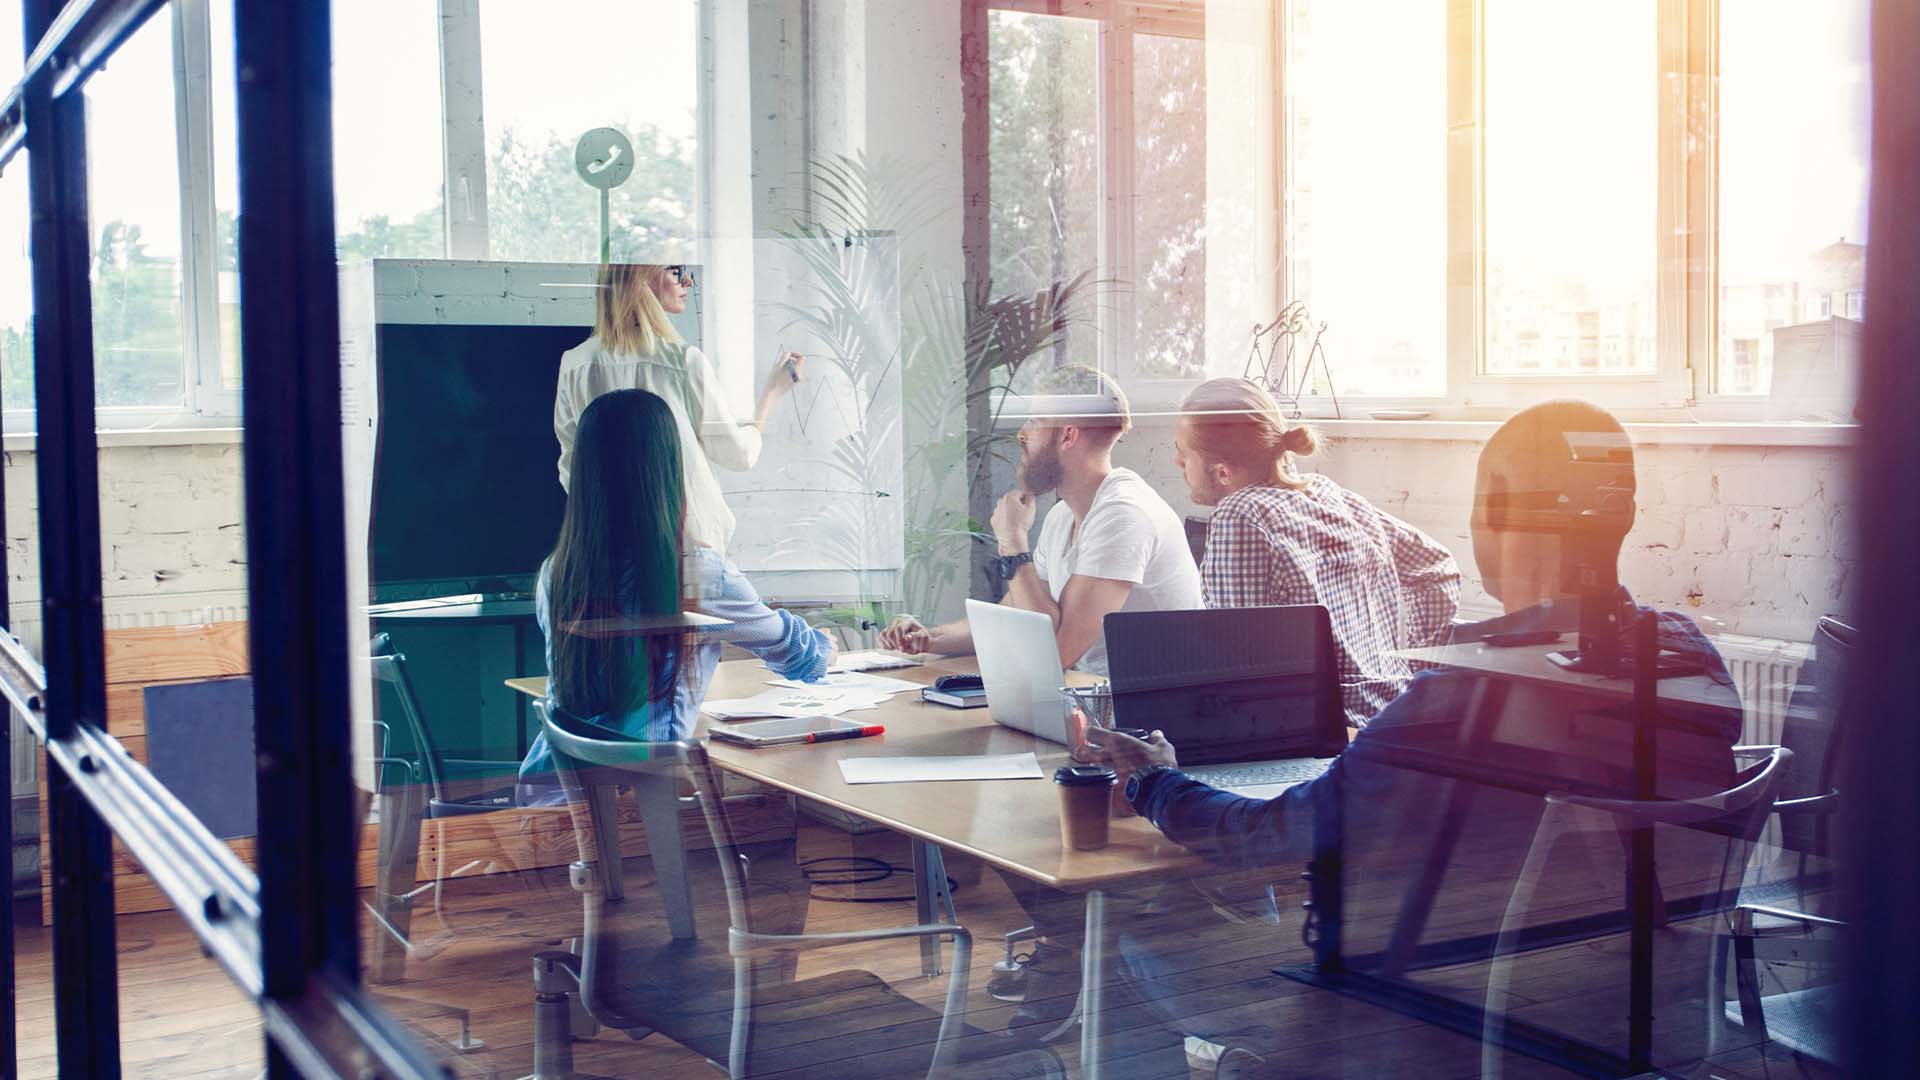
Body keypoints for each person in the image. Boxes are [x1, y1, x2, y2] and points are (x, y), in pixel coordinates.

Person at [1081, 400, 1743, 1070]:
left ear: (1496, 513)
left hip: (1435, 1017)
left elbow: (1269, 838)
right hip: (1634, 1016)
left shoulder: (1465, 702)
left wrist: (1153, 779)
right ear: (1625, 515)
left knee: (1132, 947)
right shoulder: (1689, 657)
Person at [518, 389, 834, 805]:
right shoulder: (696, 572)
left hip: (549, 799)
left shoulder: (556, 573)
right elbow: (803, 658)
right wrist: (827, 641)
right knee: (790, 817)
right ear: (668, 468)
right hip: (638, 815)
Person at [879, 364, 1202, 675]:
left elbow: (1057, 651)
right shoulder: (1063, 516)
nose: (1022, 432)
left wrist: (1013, 542)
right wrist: (927, 638)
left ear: (1067, 436)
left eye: (1035, 420)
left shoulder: (1124, 515)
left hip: (1148, 717)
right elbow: (1015, 615)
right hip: (1095, 699)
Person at [1175, 378, 1461, 726]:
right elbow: (1436, 568)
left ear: (1222, 472)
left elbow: (1238, 666)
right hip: (1390, 719)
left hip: (1320, 731)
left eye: (1183, 451)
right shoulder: (1330, 495)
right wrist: (1416, 673)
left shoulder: (1240, 514)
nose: (1177, 462)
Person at [553, 263, 805, 554]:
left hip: (609, 546)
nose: (688, 281)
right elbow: (737, 454)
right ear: (640, 282)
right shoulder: (683, 361)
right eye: (675, 271)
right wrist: (771, 394)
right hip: (686, 546)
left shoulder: (575, 364)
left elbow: (572, 469)